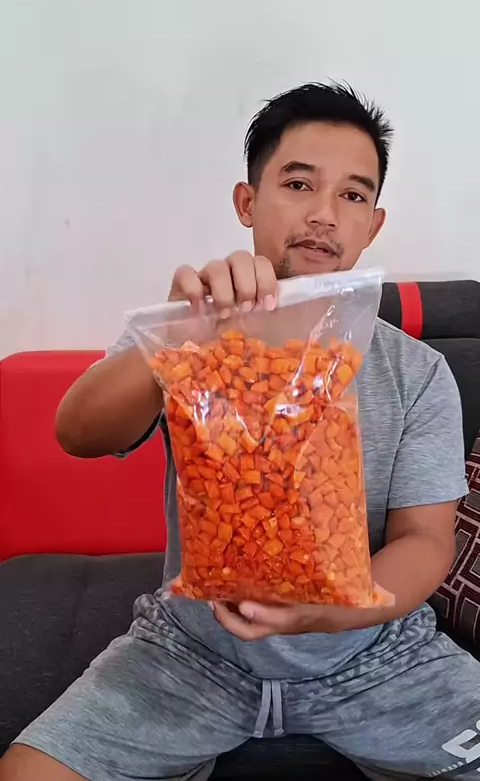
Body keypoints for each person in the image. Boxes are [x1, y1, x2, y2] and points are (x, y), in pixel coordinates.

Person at [1, 81, 477, 781]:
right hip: (193, 653)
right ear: (247, 203)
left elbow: (426, 541)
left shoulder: (416, 371)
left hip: (375, 655)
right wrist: (180, 333)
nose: (323, 213)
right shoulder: (194, 330)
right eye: (298, 183)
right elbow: (79, 432)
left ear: (373, 225)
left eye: (352, 195)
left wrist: (323, 613)